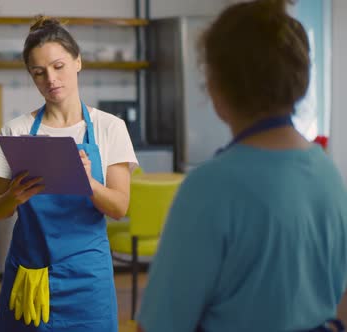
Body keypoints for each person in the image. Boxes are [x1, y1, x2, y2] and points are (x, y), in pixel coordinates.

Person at [136, 0, 347, 331]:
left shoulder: (209, 187)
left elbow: (160, 324)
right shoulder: (328, 173)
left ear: (216, 85)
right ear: (300, 80)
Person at [0, 15, 139, 332]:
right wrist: (13, 196)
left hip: (88, 280)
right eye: (39, 72)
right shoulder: (15, 131)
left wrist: (89, 183)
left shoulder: (109, 127)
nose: (51, 79)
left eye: (59, 67)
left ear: (78, 61)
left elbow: (120, 207)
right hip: (30, 273)